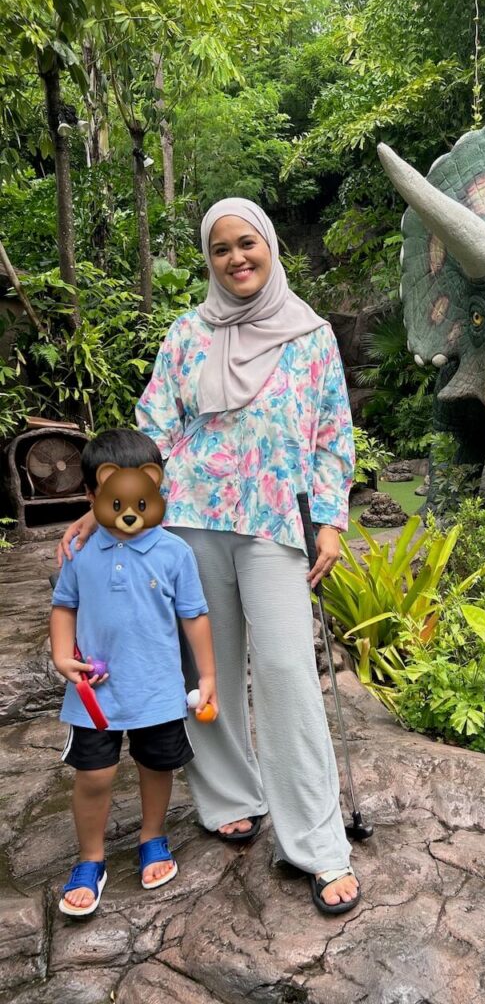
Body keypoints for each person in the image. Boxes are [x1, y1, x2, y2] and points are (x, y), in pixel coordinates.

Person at [58, 198, 360, 915]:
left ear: (271, 246)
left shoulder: (311, 335)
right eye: (220, 249)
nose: (235, 259)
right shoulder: (187, 334)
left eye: (246, 244)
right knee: (204, 668)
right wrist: (98, 502)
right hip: (189, 522)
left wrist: (332, 521)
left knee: (287, 671)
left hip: (271, 524)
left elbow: (331, 435)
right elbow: (152, 429)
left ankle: (317, 843)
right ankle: (230, 795)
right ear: (209, 260)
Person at [52, 429, 217, 917]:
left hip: (157, 690)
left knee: (156, 765)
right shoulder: (81, 553)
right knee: (95, 774)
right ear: (91, 496)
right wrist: (63, 655)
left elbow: (195, 615)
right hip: (94, 695)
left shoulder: (173, 553)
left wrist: (207, 677)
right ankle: (91, 859)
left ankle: (152, 836)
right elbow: (63, 606)